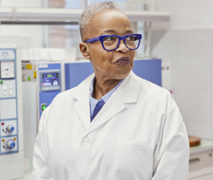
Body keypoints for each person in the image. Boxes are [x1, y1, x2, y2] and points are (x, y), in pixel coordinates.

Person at [32, 1, 189, 180]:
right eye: (110, 39)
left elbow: (171, 174)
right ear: (85, 50)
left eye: (129, 38)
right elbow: (42, 173)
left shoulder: (161, 106)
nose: (124, 47)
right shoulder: (58, 107)